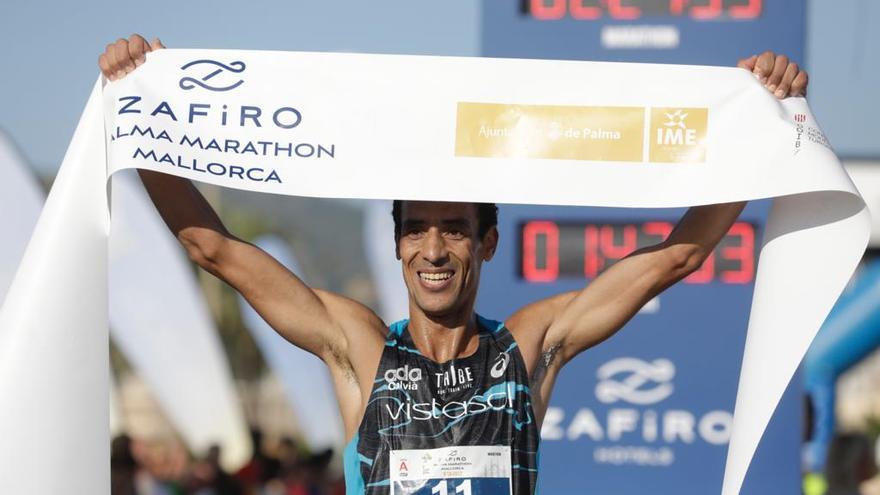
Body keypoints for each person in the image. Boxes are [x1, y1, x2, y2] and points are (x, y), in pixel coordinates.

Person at [98, 34, 809, 495]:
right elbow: (214, 247)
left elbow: (677, 256)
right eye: (419, 230)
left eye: (456, 231)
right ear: (399, 241)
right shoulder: (359, 348)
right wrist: (139, 111)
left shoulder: (528, 345)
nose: (434, 250)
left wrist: (757, 124)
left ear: (488, 241)